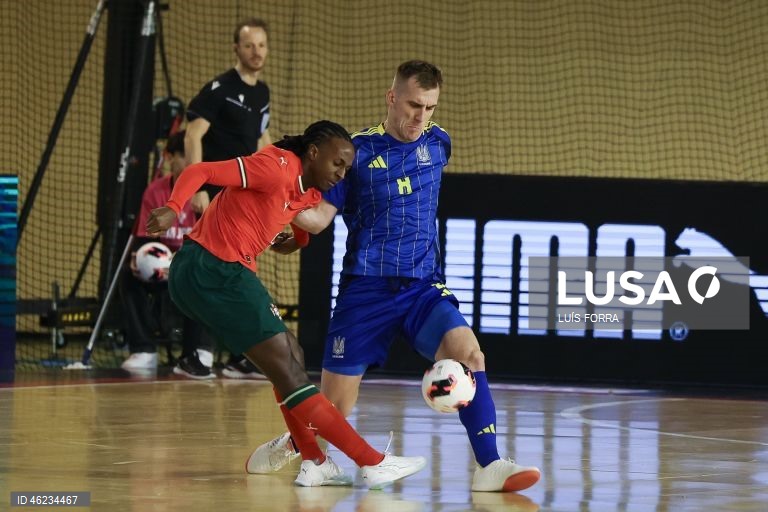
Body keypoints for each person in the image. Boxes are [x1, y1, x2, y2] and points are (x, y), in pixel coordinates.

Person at [248, 61, 542, 493]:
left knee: (470, 355)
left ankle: (490, 465)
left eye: (429, 107)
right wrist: (276, 206)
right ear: (391, 98)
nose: (420, 117)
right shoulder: (357, 153)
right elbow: (319, 219)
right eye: (413, 105)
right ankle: (295, 443)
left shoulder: (439, 143)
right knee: (332, 411)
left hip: (423, 288)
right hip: (365, 290)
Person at [146, 120, 427, 489]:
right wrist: (172, 207)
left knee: (291, 355)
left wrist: (298, 241)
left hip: (221, 274)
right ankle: (370, 461)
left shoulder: (309, 192)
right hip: (211, 267)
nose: (341, 174)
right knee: (288, 367)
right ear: (313, 152)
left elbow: (296, 216)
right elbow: (202, 171)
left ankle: (314, 461)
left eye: (346, 169)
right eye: (336, 163)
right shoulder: (275, 166)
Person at [184, 17, 274, 378]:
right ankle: (195, 354)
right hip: (214, 195)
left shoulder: (262, 93)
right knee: (207, 270)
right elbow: (193, 135)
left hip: (245, 200)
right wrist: (197, 187)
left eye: (261, 45)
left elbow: (262, 141)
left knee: (240, 273)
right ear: (236, 48)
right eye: (249, 45)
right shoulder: (219, 88)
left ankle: (240, 354)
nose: (256, 52)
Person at [120, 131, 216, 379]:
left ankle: (200, 349)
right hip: (163, 265)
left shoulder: (204, 195)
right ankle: (143, 349)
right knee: (129, 277)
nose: (189, 161)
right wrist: (141, 258)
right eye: (183, 155)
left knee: (203, 277)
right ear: (170, 157)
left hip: (193, 263)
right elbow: (146, 238)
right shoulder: (155, 192)